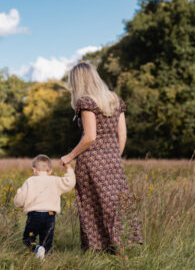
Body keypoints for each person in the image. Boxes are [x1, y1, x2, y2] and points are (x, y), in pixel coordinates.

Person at [61, 62, 143, 253]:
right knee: (115, 203)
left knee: (91, 206)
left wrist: (70, 156)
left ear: (78, 82)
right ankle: (120, 245)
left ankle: (98, 248)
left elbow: (90, 136)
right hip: (114, 159)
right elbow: (122, 135)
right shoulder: (115, 100)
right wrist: (114, 156)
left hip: (91, 161)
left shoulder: (86, 102)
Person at [14, 154, 76, 258]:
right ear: (50, 170)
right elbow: (69, 182)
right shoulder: (55, 180)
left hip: (34, 215)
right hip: (50, 215)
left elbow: (19, 200)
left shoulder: (30, 181)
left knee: (28, 239)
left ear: (34, 170)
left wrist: (18, 194)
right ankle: (45, 257)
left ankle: (37, 249)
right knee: (47, 242)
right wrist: (69, 168)